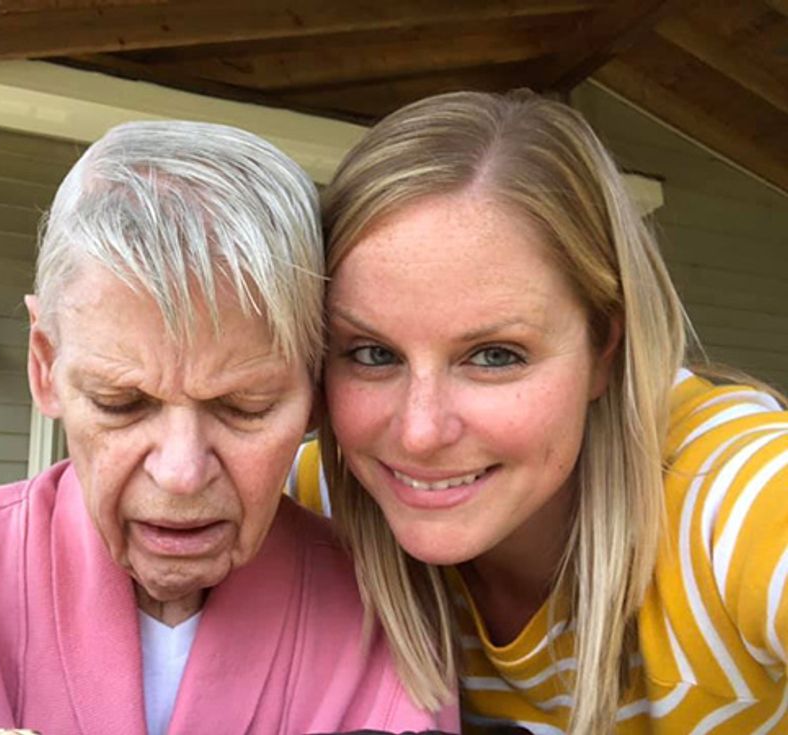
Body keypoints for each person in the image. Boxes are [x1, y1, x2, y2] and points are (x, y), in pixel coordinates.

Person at [0, 120, 458, 735]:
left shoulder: (386, 618)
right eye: (122, 401)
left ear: (316, 391)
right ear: (45, 366)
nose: (180, 473)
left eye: (246, 406)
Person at [289, 90, 788, 734]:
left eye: (494, 356)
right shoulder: (319, 501)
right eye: (371, 353)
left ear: (606, 348)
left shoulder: (730, 497)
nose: (418, 432)